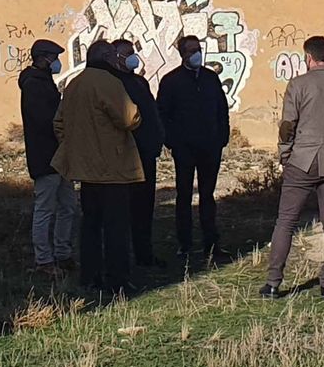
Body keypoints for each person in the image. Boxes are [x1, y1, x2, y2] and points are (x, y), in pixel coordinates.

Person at [261, 35, 324, 299]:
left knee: (286, 221)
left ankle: (273, 282)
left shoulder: (297, 85)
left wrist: (285, 155)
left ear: (308, 57)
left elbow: (288, 126)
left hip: (302, 161)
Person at [53, 39, 143, 297]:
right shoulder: (109, 82)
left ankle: (89, 276)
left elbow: (59, 123)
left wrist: (77, 147)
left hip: (85, 169)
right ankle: (118, 280)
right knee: (116, 226)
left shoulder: (74, 84)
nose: (118, 59)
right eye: (114, 55)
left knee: (90, 225)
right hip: (113, 167)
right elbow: (129, 117)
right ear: (105, 57)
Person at [157, 35, 231, 263]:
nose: (196, 54)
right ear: (182, 54)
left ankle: (211, 242)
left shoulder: (210, 79)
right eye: (191, 50)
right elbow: (163, 114)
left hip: (210, 146)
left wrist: (222, 137)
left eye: (198, 49)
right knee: (184, 195)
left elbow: (221, 109)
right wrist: (173, 142)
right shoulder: (171, 81)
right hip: (185, 148)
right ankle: (185, 243)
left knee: (207, 196)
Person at [20, 39, 76, 276]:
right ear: (43, 58)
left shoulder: (44, 82)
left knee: (68, 207)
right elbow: (45, 121)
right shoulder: (34, 85)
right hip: (46, 156)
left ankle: (62, 254)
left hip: (60, 155)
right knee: (45, 209)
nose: (57, 62)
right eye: (54, 57)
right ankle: (44, 259)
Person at [112, 38, 166, 268]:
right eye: (128, 53)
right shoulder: (113, 85)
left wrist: (158, 139)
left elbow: (151, 112)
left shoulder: (140, 82)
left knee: (145, 206)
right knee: (124, 209)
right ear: (116, 57)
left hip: (146, 154)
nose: (133, 57)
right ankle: (123, 257)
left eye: (133, 52)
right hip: (124, 155)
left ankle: (144, 254)